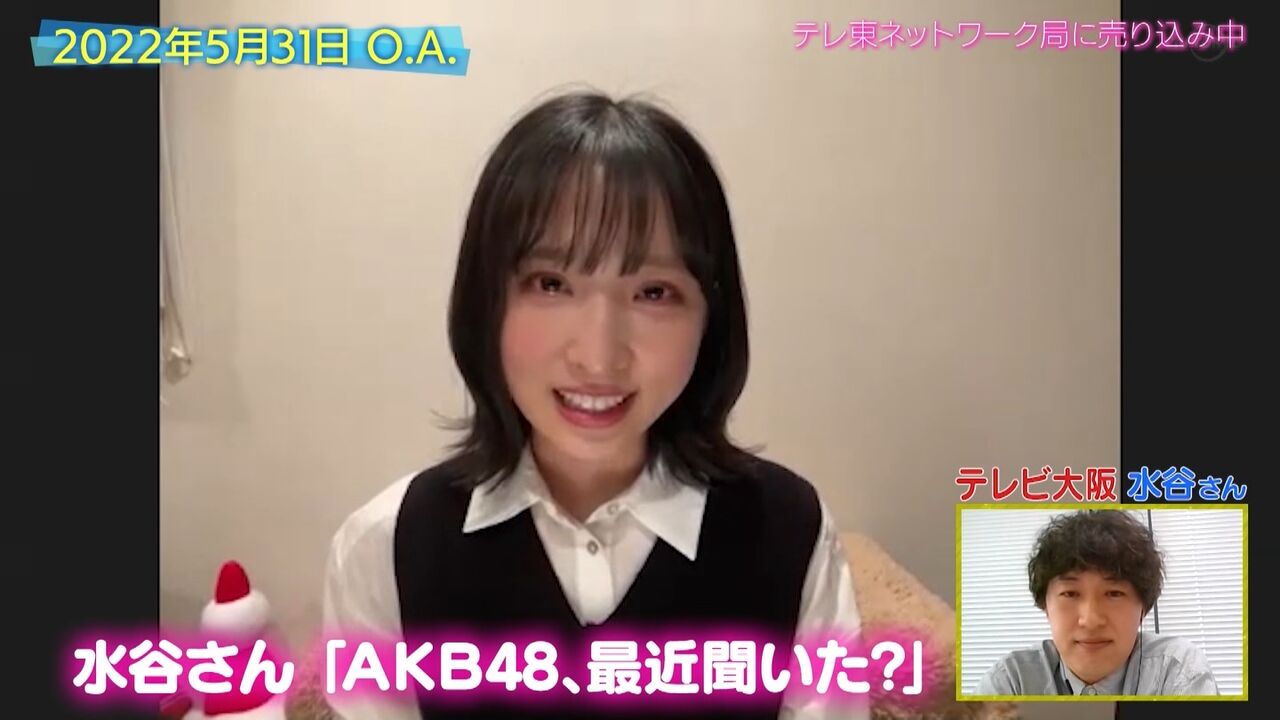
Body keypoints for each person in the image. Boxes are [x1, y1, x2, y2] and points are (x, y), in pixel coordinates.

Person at [321, 90, 866, 719]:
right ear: (485, 302)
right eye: (551, 284)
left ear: (710, 319)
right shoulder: (386, 548)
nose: (599, 358)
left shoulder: (789, 533)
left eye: (653, 292)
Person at [975, 510, 1218, 697]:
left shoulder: (1177, 671)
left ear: (1143, 608)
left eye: (1114, 593)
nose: (1090, 621)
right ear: (1045, 606)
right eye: (1070, 593)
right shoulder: (1011, 682)